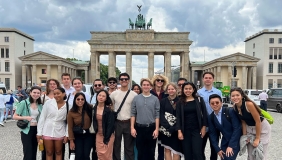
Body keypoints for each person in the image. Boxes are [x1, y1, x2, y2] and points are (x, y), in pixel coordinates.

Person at [230, 87, 271, 160]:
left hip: (262, 128)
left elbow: (257, 121)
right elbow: (243, 122)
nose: (235, 97)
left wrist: (257, 138)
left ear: (242, 96)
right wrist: (245, 136)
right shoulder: (235, 107)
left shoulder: (249, 104)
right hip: (249, 128)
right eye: (233, 96)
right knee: (250, 155)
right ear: (230, 97)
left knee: (260, 153)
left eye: (237, 95)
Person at [176, 82, 207, 160]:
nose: (188, 91)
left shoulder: (199, 99)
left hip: (197, 129)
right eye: (186, 89)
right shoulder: (180, 101)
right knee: (187, 153)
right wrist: (179, 131)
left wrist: (204, 127)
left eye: (190, 89)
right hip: (185, 130)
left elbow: (205, 114)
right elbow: (178, 117)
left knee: (197, 152)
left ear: (193, 90)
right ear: (183, 90)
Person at [131, 78, 160, 160]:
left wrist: (157, 129)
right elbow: (133, 113)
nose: (146, 86)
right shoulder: (136, 98)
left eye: (148, 85)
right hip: (139, 127)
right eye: (144, 85)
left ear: (150, 86)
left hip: (151, 127)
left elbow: (157, 115)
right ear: (141, 86)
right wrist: (132, 128)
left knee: (151, 152)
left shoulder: (155, 99)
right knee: (140, 151)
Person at [111, 73, 137, 160]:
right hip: (117, 122)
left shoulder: (134, 95)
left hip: (129, 122)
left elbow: (136, 110)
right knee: (116, 146)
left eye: (126, 79)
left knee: (129, 147)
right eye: (122, 79)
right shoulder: (114, 94)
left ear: (129, 81)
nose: (124, 80)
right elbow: (110, 108)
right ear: (119, 81)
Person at [37, 87, 68, 160]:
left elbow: (69, 122)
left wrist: (67, 135)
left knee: (58, 152)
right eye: (54, 94)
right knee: (49, 152)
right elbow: (42, 118)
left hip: (60, 131)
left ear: (63, 94)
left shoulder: (68, 105)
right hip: (47, 130)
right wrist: (39, 133)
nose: (56, 95)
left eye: (58, 93)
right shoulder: (48, 103)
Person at [208, 94, 242, 160]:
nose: (215, 104)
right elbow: (212, 134)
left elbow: (237, 128)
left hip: (235, 140)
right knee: (223, 158)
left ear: (221, 102)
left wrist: (231, 146)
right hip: (225, 141)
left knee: (229, 158)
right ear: (210, 105)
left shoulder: (229, 111)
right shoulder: (211, 117)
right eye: (212, 103)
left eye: (217, 102)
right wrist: (217, 149)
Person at [13, 86, 43, 160]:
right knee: (28, 151)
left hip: (36, 130)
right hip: (26, 129)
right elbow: (15, 116)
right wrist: (25, 117)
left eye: (38, 93)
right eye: (34, 92)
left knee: (34, 151)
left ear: (40, 94)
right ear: (30, 93)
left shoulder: (40, 104)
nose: (36, 94)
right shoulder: (24, 103)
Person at [197, 72, 222, 160]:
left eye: (210, 78)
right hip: (203, 123)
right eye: (206, 78)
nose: (208, 79)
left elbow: (220, 106)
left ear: (213, 79)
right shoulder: (198, 92)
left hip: (214, 122)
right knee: (201, 147)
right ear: (203, 79)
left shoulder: (218, 92)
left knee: (214, 147)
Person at [159, 83, 183, 160]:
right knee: (167, 149)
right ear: (167, 91)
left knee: (176, 151)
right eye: (169, 89)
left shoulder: (181, 101)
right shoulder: (163, 101)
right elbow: (161, 114)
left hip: (177, 129)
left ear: (176, 90)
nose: (171, 91)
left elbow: (182, 116)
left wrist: (175, 127)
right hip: (166, 129)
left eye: (172, 89)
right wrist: (168, 127)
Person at [68, 92, 93, 160]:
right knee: (78, 155)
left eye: (82, 99)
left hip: (88, 135)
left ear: (85, 100)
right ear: (75, 100)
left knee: (86, 155)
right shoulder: (71, 112)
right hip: (77, 135)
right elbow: (70, 127)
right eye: (78, 99)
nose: (80, 101)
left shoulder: (90, 108)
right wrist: (71, 141)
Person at [150, 74, 168, 160]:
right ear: (154, 81)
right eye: (158, 80)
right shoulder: (150, 93)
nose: (160, 82)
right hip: (152, 121)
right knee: (151, 144)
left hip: (163, 122)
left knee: (162, 145)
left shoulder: (166, 93)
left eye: (162, 81)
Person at [93, 90, 115, 159]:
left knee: (107, 156)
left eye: (103, 96)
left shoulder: (109, 110)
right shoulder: (94, 108)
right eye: (99, 95)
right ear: (97, 96)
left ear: (106, 98)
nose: (101, 97)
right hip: (98, 135)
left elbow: (110, 126)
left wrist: (106, 138)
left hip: (107, 135)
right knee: (100, 154)